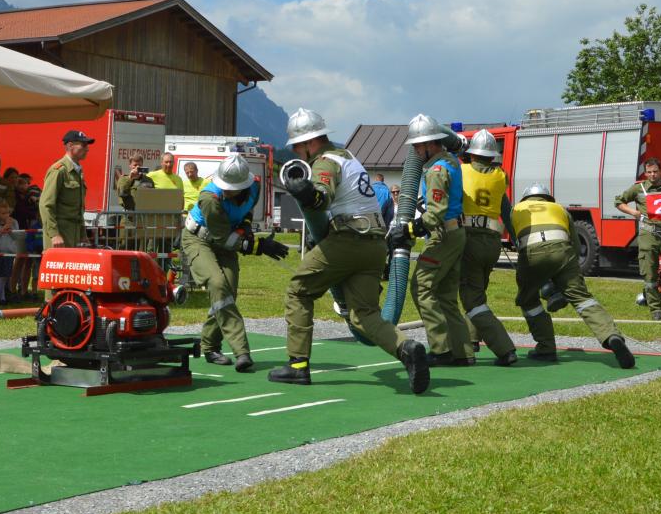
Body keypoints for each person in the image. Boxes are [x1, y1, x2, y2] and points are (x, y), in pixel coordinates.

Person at [273, 108, 428, 393]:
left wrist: (306, 192)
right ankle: (406, 347)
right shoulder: (348, 157)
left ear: (310, 142)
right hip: (374, 243)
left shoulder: (325, 162)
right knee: (364, 314)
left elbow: (321, 196)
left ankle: (297, 365)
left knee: (298, 291)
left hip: (348, 239)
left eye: (296, 145)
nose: (295, 151)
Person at [510, 184, 635, 369]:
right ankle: (611, 337)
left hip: (532, 252)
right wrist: (567, 272)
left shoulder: (517, 209)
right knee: (583, 299)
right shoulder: (559, 208)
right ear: (547, 198)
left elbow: (516, 240)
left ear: (525, 198)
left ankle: (546, 348)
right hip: (563, 251)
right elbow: (575, 244)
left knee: (528, 300)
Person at [182, 153, 273, 372]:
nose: (226, 191)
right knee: (217, 283)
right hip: (199, 239)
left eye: (232, 188)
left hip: (227, 239)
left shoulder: (255, 186)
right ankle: (242, 351)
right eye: (224, 185)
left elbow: (248, 210)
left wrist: (246, 226)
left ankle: (209, 345)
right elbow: (223, 238)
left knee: (228, 291)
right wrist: (259, 247)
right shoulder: (210, 198)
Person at [404, 114, 472, 366]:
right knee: (446, 295)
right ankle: (462, 352)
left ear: (430, 144)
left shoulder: (436, 170)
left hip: (443, 236)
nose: (415, 151)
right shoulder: (451, 161)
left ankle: (441, 349)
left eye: (417, 146)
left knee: (421, 286)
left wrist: (410, 230)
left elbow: (435, 212)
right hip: (456, 233)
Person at [457, 129, 520, 366]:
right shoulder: (500, 176)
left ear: (471, 153)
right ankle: (472, 338)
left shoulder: (462, 171)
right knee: (478, 292)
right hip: (492, 242)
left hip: (470, 239)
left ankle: (504, 348)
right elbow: (506, 211)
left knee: (471, 297)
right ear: (492, 156)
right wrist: (516, 240)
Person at [614, 157, 661, 320]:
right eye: (649, 172)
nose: (652, 175)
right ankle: (655, 310)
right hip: (648, 234)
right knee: (650, 273)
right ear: (645, 173)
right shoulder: (638, 188)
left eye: (655, 171)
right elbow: (618, 201)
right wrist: (633, 212)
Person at [40, 130, 92, 250]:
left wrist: (83, 235)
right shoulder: (59, 170)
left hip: (74, 236)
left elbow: (78, 210)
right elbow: (45, 205)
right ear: (70, 145)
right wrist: (54, 234)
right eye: (83, 145)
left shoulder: (77, 172)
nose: (87, 149)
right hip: (59, 236)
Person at [0, 200, 21, 304]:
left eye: (7, 213)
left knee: (4, 276)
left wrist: (10, 230)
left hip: (8, 253)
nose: (6, 215)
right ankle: (2, 299)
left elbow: (17, 237)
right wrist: (2, 230)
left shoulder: (14, 223)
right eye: (3, 213)